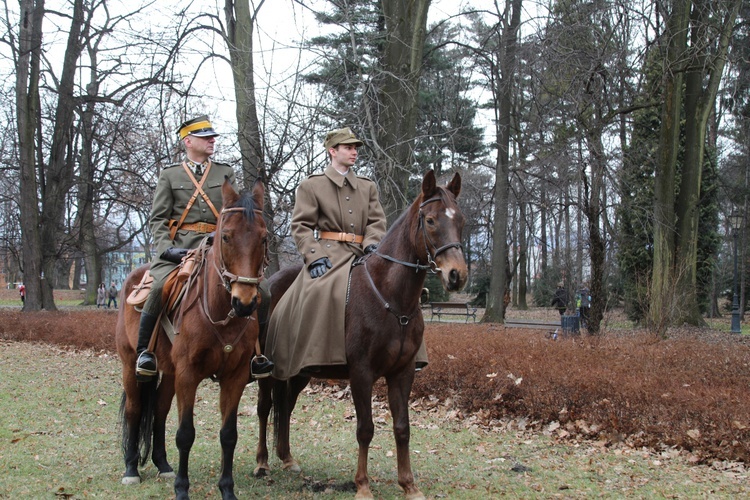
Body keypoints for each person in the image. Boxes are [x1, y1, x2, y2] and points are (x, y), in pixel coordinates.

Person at [134, 115, 272, 380]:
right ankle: (145, 352)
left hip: (219, 246)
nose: (212, 141)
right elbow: (158, 219)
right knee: (159, 286)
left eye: (212, 137)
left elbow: (234, 212)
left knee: (263, 292)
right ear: (188, 141)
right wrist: (166, 249)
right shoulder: (170, 175)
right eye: (205, 137)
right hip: (180, 248)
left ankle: (258, 355)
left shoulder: (224, 172)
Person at [265, 127, 389, 380]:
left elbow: (377, 222)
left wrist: (373, 245)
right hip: (328, 253)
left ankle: (404, 355)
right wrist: (315, 256)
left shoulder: (367, 186)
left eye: (355, 148)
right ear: (333, 151)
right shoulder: (312, 185)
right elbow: (301, 226)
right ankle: (311, 356)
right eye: (348, 148)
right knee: (316, 291)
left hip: (365, 253)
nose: (354, 152)